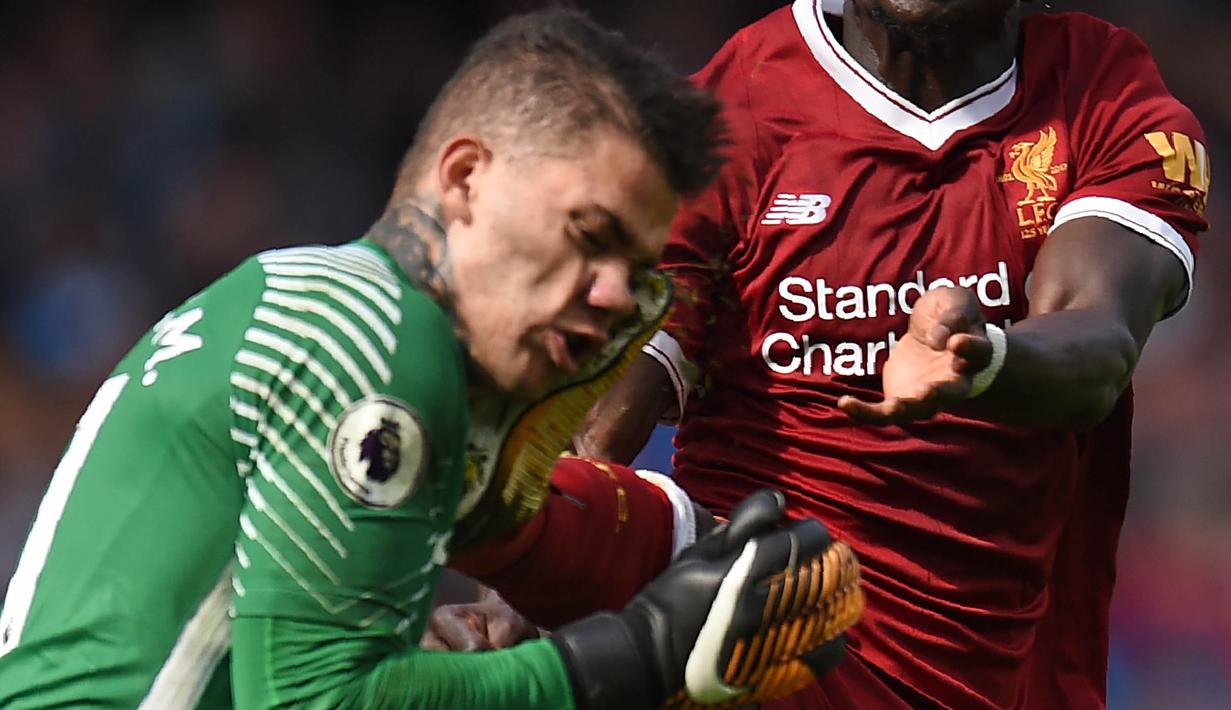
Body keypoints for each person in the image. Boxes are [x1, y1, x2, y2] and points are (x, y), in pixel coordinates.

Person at [0, 10, 858, 709]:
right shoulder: (380, 339)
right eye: (587, 235)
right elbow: (314, 702)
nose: (609, 294)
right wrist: (641, 652)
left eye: (633, 270)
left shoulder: (303, 296)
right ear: (466, 178)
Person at [433, 1, 1212, 708]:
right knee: (667, 545)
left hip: (973, 673)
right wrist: (514, 601)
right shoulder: (722, 119)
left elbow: (1095, 340)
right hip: (755, 616)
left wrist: (984, 360)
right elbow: (594, 416)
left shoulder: (1101, 96)